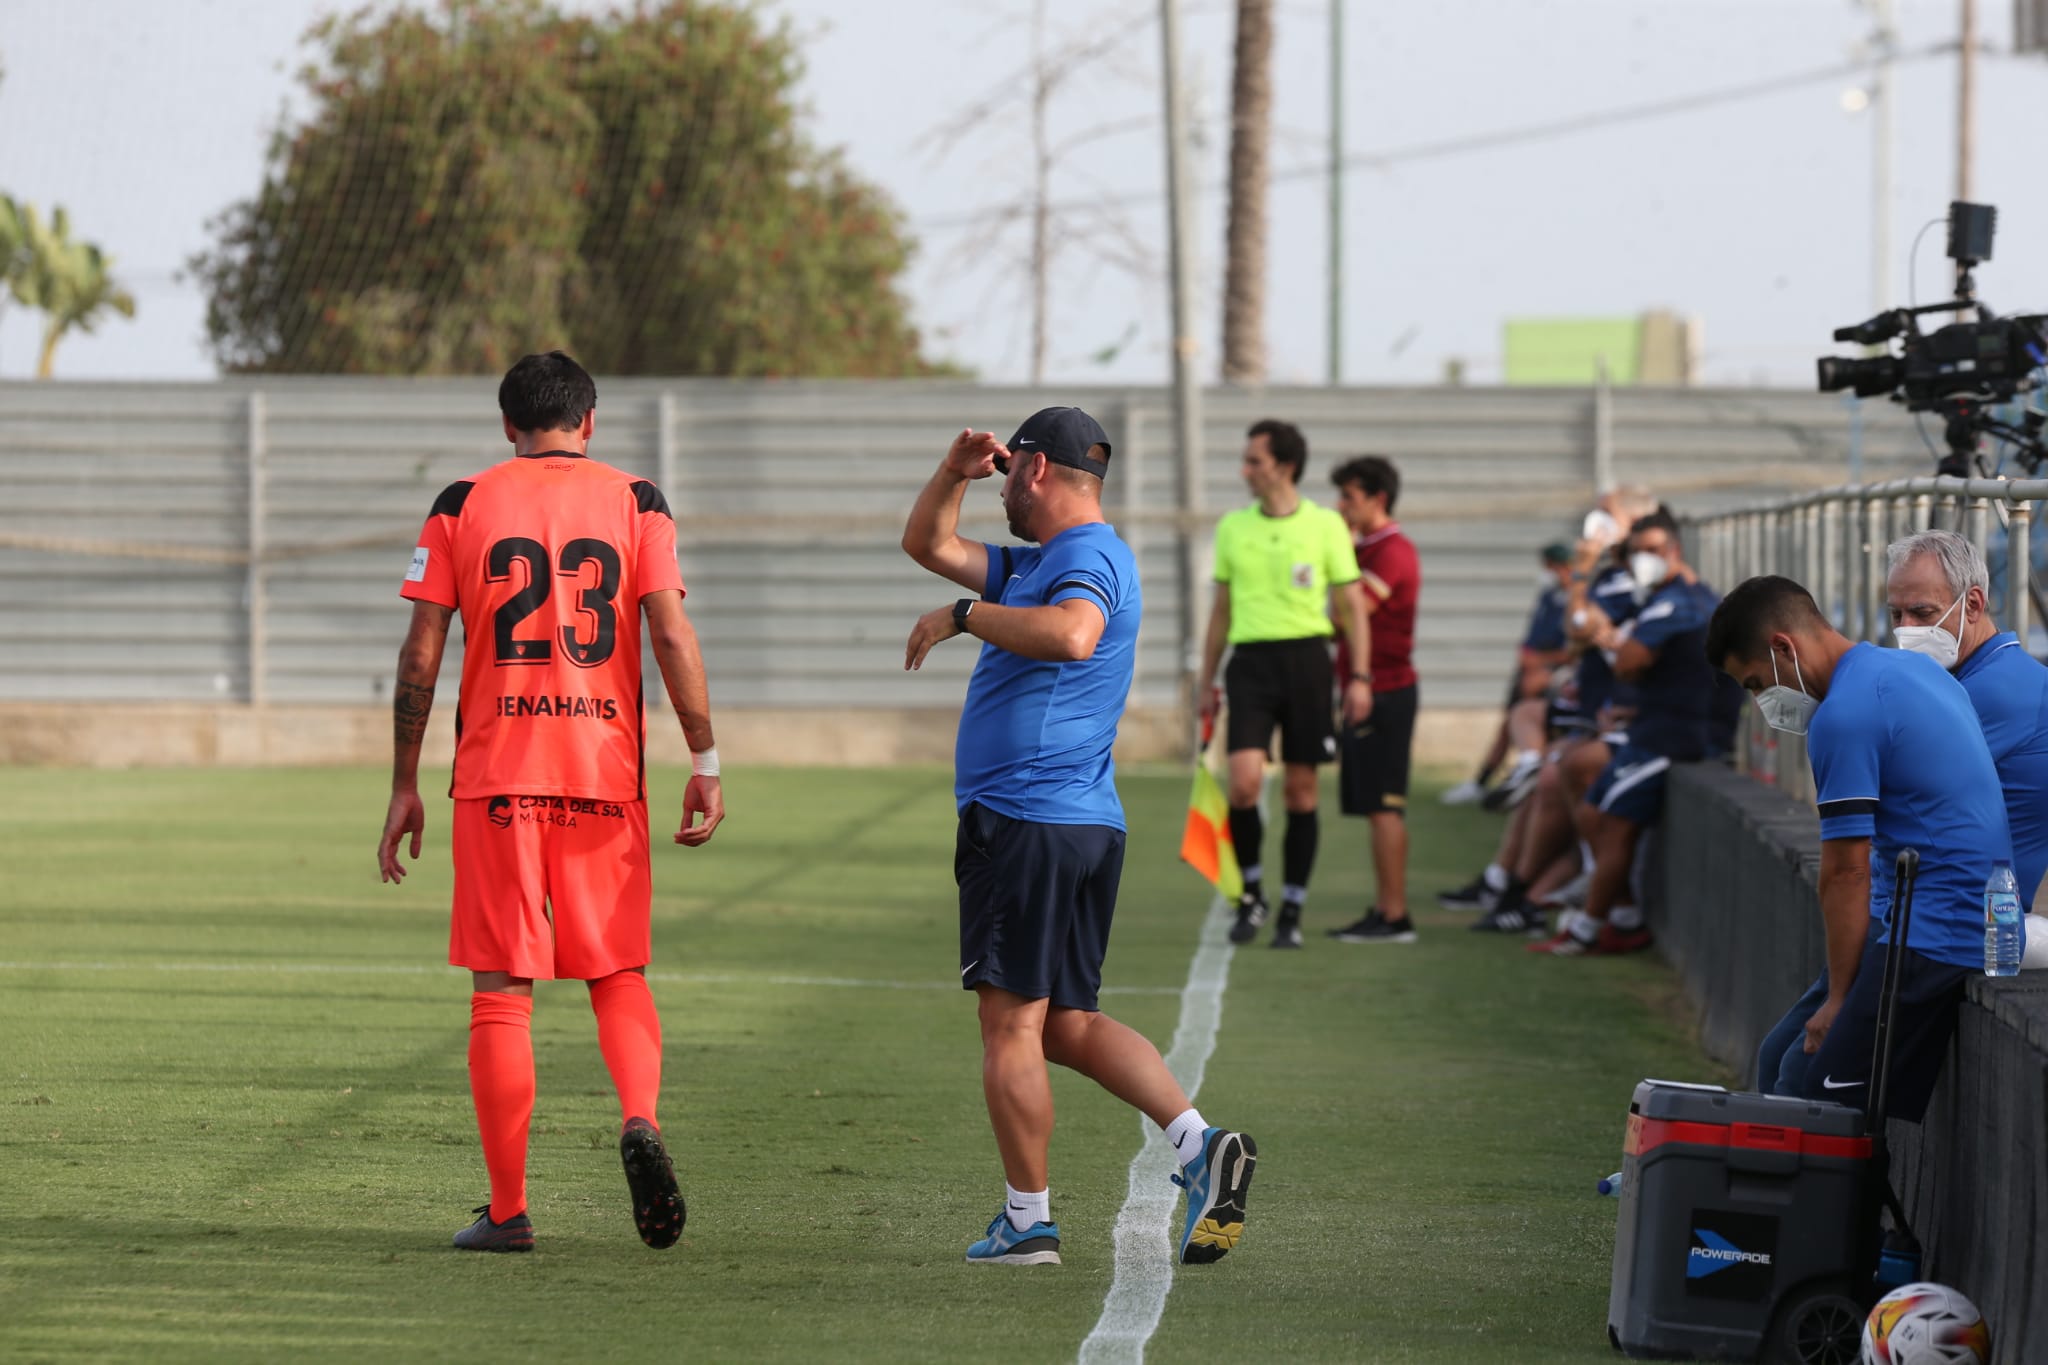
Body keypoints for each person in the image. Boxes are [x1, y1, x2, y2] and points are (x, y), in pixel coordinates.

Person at [376, 351, 725, 1253]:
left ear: (508, 425)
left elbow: (421, 651)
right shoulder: (637, 500)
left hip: (497, 779)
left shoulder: (461, 503)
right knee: (618, 972)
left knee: (502, 993)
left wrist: (405, 781)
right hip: (603, 775)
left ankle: (508, 1212)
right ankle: (639, 1115)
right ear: (589, 421)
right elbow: (672, 632)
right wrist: (705, 756)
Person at [900, 407, 1256, 1268]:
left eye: (1005, 473)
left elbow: (1073, 634)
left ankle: (1027, 1222)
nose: (1000, 491)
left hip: (1027, 818)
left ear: (1033, 469)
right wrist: (951, 473)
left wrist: (965, 615)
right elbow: (927, 543)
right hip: (1074, 819)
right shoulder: (1039, 561)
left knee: (1009, 1026)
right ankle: (1201, 1145)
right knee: (1065, 1023)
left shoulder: (1084, 557)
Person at [1705, 575, 2008, 1119]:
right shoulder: (1908, 668)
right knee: (1777, 1056)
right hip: (1921, 915)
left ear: (1783, 647)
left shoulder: (1843, 715)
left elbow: (1846, 872)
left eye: (1756, 684)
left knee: (1811, 1091)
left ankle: (1831, 1178)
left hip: (1939, 933)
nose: (1760, 701)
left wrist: (1841, 1001)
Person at [1195, 420, 1371, 948]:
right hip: (1250, 665)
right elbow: (1221, 610)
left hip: (1307, 663)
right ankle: (1252, 894)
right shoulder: (1233, 527)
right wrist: (1206, 680)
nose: (1244, 470)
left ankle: (1292, 906)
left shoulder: (1326, 525)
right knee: (1243, 783)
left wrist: (1360, 677)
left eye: (1255, 461)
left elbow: (1353, 607)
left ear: (1285, 467)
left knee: (1300, 790)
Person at [1531, 511, 1719, 956]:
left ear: (1674, 550)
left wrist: (1614, 642)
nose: (1642, 560)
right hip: (1650, 723)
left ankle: (1589, 927)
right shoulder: (1657, 597)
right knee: (1589, 798)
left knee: (1612, 822)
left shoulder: (1680, 602)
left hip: (1679, 734)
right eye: (1636, 552)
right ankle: (1621, 911)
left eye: (1652, 550)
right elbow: (1586, 636)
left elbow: (1628, 662)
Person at [1885, 530, 2048, 909]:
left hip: (1962, 915)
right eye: (1896, 614)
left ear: (1973, 604)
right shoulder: (1980, 676)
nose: (1906, 629)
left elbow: (1887, 789)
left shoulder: (1999, 690)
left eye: (1922, 612)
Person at [1324, 456, 1423, 943]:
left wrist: (1335, 553)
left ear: (1377, 499)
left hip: (1387, 691)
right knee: (1374, 806)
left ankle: (1395, 915)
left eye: (1350, 497)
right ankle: (1386, 907)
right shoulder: (1368, 549)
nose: (1341, 506)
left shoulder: (1392, 551)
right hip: (1369, 689)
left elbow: (1347, 614)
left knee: (1385, 807)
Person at [1442, 543, 1573, 808]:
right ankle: (1482, 782)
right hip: (1530, 670)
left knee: (1531, 718)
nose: (1547, 572)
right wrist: (1527, 657)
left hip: (1552, 675)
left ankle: (1533, 777)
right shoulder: (1549, 596)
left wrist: (1542, 662)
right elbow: (1533, 636)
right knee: (1509, 722)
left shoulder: (1577, 600)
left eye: (1550, 566)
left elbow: (1576, 648)